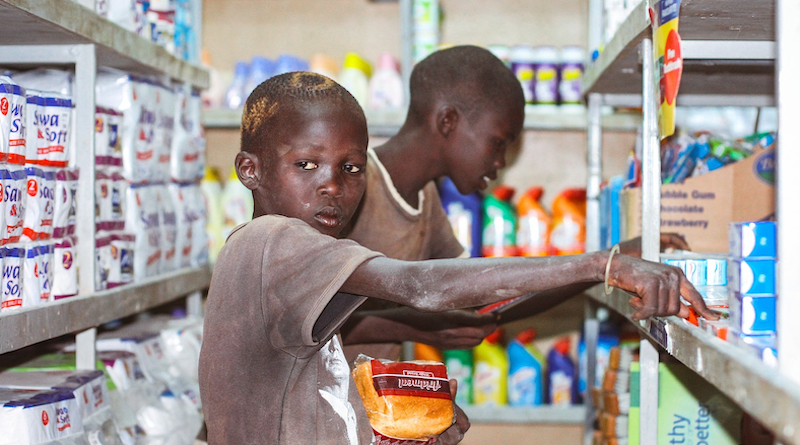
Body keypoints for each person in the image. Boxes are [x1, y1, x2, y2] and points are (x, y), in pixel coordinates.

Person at [198, 71, 716, 445]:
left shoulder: (298, 244)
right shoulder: (272, 241)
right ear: (250, 171)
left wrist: (405, 422)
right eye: (306, 164)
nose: (332, 185)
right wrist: (603, 265)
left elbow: (315, 388)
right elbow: (424, 287)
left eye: (352, 168)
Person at [340, 45, 690, 361]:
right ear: (448, 121)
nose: (501, 162)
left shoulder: (426, 199)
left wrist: (615, 259)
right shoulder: (349, 185)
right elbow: (303, 317)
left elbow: (482, 301)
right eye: (498, 142)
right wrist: (408, 326)